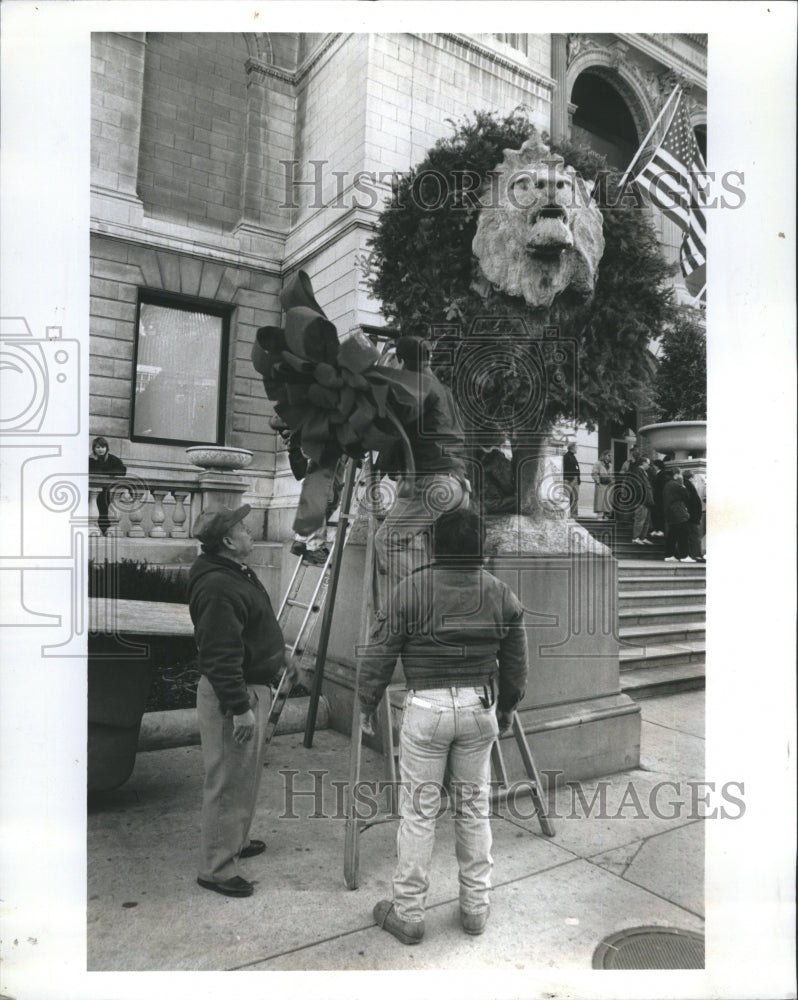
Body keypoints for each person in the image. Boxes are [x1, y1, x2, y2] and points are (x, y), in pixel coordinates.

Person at [358, 508, 529, 945]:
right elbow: (515, 662)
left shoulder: (409, 589)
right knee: (473, 808)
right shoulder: (500, 592)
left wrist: (365, 702)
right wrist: (508, 707)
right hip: (479, 706)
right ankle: (475, 908)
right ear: (480, 548)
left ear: (433, 545)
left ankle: (409, 912)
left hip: (426, 707)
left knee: (419, 812)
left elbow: (381, 652)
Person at [188, 504, 293, 898]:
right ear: (229, 541)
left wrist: (280, 655)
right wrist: (240, 707)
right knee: (228, 781)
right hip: (234, 693)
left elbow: (251, 626)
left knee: (242, 776)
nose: (251, 532)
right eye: (245, 528)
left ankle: (233, 841)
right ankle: (216, 868)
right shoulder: (218, 585)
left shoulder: (233, 571)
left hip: (249, 687)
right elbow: (219, 654)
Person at [374, 336, 470, 610]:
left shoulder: (415, 385)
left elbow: (399, 424)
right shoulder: (443, 389)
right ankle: (443, 615)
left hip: (434, 482)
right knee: (438, 559)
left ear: (402, 361)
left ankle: (420, 610)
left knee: (387, 541)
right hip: (458, 485)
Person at [88, 436, 127, 535]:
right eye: (97, 447)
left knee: (106, 511)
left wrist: (108, 472)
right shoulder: (90, 459)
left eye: (102, 447)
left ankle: (105, 530)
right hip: (94, 491)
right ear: (94, 449)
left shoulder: (112, 459)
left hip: (108, 491)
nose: (100, 449)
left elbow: (122, 470)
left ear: (106, 448)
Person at [662, 469, 692, 562]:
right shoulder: (676, 484)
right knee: (684, 534)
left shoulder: (667, 485)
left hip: (671, 512)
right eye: (680, 474)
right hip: (678, 512)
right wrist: (682, 484)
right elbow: (687, 495)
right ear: (676, 475)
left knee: (673, 534)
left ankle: (669, 555)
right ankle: (684, 555)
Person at [630, 456, 655, 545]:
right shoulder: (638, 471)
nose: (649, 465)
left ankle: (642, 537)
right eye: (648, 463)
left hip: (647, 500)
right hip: (642, 500)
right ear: (643, 463)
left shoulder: (644, 472)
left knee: (646, 520)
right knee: (640, 519)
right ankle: (636, 537)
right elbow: (639, 486)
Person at [682, 470, 705, 563]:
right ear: (691, 477)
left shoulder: (685, 485)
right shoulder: (688, 486)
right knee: (694, 535)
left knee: (693, 535)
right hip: (693, 516)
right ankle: (695, 555)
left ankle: (695, 555)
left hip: (691, 515)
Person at [591, 450, 613, 519]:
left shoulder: (610, 465)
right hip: (600, 484)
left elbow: (611, 475)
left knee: (607, 502)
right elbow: (594, 473)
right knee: (600, 502)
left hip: (608, 485)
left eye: (610, 456)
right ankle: (600, 516)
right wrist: (597, 481)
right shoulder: (598, 464)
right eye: (608, 455)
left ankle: (606, 516)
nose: (609, 457)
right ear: (604, 455)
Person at [650, 459, 668, 537]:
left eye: (654, 465)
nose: (653, 467)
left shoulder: (663, 475)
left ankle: (661, 530)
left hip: (659, 498)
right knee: (655, 513)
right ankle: (656, 529)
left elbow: (661, 487)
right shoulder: (657, 474)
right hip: (655, 497)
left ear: (657, 466)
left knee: (659, 514)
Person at [562, 441, 581, 518]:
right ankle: (567, 514)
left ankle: (574, 514)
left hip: (575, 480)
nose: (577, 449)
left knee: (575, 497)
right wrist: (566, 478)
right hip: (569, 480)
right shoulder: (566, 456)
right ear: (572, 447)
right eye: (576, 447)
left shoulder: (573, 456)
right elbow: (564, 469)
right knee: (567, 497)